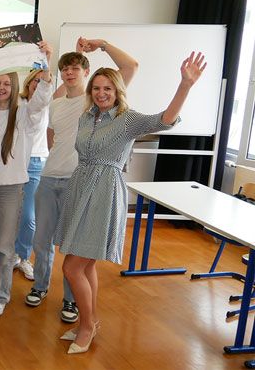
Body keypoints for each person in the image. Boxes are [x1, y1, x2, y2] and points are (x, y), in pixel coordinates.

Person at [54, 52, 206, 354]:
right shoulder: (87, 116)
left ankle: (86, 326)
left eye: (107, 88)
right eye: (96, 88)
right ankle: (90, 321)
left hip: (104, 191)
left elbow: (164, 120)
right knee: (86, 263)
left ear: (118, 90)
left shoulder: (127, 119)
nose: (101, 93)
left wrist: (185, 86)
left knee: (72, 267)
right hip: (81, 187)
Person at [26, 38, 139, 325]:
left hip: (80, 183)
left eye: (76, 68)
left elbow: (130, 66)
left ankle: (71, 299)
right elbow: (52, 139)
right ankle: (40, 286)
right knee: (42, 240)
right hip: (49, 178)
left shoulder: (95, 103)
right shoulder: (56, 105)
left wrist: (102, 44)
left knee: (73, 246)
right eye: (66, 69)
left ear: (86, 73)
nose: (70, 73)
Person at [0, 43, 53, 319]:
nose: (1, 87)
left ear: (15, 86)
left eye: (7, 83)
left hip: (12, 187)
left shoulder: (24, 114)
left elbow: (41, 100)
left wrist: (46, 63)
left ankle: (0, 296)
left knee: (6, 247)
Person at [12, 69, 50, 282]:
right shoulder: (17, 103)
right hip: (14, 161)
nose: (38, 83)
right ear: (28, 82)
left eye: (43, 81)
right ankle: (12, 254)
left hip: (35, 162)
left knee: (28, 217)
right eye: (36, 80)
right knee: (12, 214)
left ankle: (24, 256)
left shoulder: (47, 103)